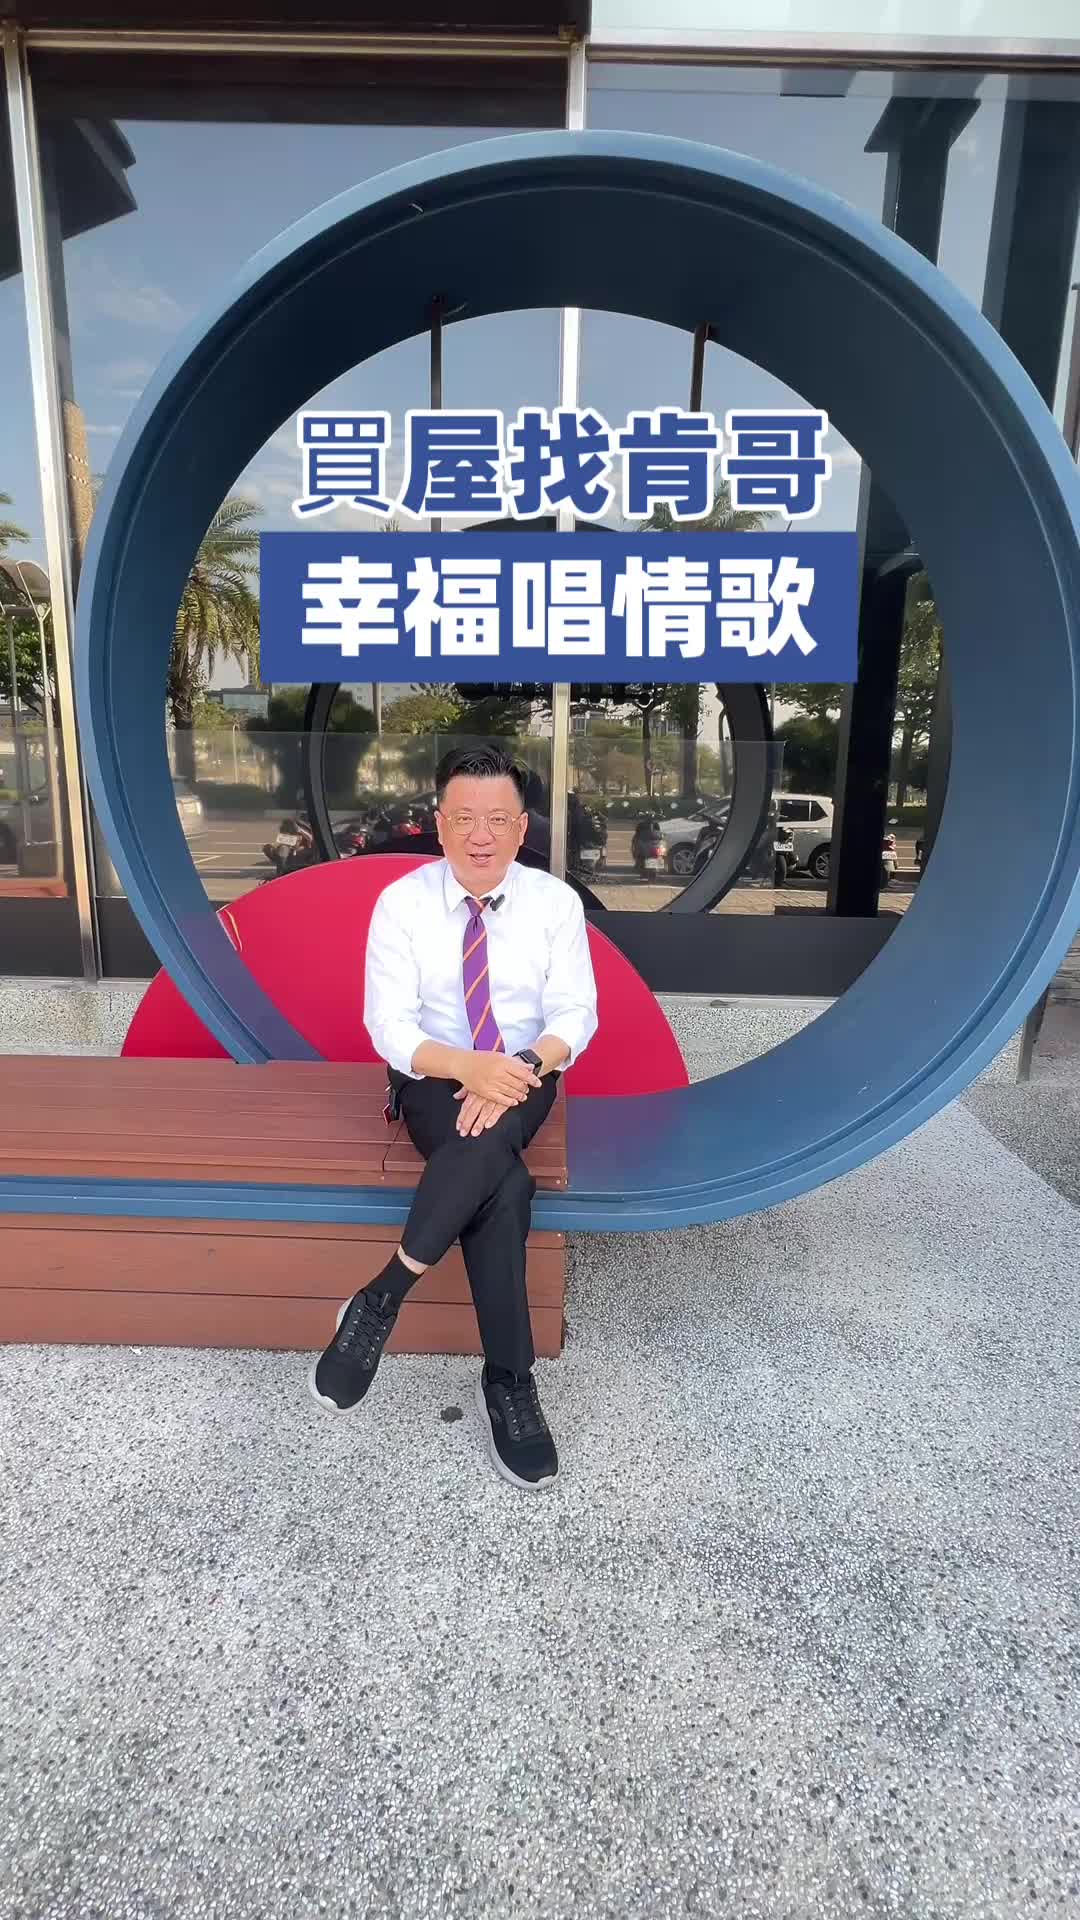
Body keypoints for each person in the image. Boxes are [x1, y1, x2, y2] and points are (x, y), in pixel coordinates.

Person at [308, 744, 598, 1490]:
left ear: (522, 826)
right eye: (464, 817)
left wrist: (516, 1068)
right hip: (433, 1076)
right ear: (438, 824)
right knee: (506, 1186)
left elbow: (575, 1014)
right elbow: (389, 1026)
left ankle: (382, 1297)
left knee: (496, 1141)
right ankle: (509, 1381)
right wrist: (470, 1069)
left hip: (528, 1070)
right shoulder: (402, 904)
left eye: (498, 819)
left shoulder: (555, 904)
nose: (481, 834)